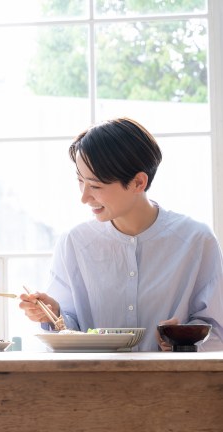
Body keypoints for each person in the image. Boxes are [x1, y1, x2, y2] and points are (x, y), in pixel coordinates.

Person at [19, 117, 223, 352]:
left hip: (173, 386)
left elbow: (216, 330)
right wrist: (52, 313)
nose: (84, 197)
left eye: (95, 186)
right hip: (93, 385)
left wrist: (184, 339)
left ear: (138, 182)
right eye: (80, 181)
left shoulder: (196, 240)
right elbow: (68, 332)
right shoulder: (74, 243)